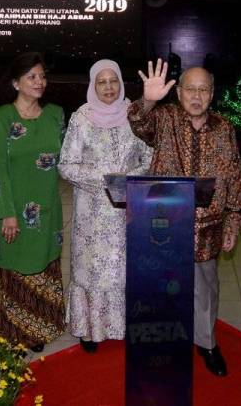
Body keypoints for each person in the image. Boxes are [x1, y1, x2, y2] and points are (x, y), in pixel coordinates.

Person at [128, 59, 241, 376]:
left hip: (208, 225)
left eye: (203, 90)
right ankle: (166, 343)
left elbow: (234, 176)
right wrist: (148, 99)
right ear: (178, 93)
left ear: (212, 94)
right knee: (162, 286)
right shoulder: (164, 119)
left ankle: (206, 343)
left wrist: (233, 220)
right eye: (190, 89)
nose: (196, 96)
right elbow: (137, 121)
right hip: (164, 224)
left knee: (205, 288)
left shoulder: (224, 128)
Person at [58, 59, 152, 353]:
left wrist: (129, 179)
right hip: (92, 212)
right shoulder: (81, 118)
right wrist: (105, 179)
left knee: (124, 267)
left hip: (128, 208)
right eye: (102, 81)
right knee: (92, 269)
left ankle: (124, 325)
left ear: (121, 83)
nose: (108, 87)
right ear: (93, 85)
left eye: (113, 81)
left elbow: (150, 158)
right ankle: (90, 328)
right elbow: (66, 165)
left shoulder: (134, 115)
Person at [0, 52, 66, 352]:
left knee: (41, 267)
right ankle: (8, 334)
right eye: (32, 77)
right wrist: (7, 213)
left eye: (42, 76)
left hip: (46, 210)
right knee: (10, 271)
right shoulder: (1, 118)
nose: (39, 82)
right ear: (16, 83)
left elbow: (68, 158)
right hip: (10, 210)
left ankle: (36, 330)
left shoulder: (55, 114)